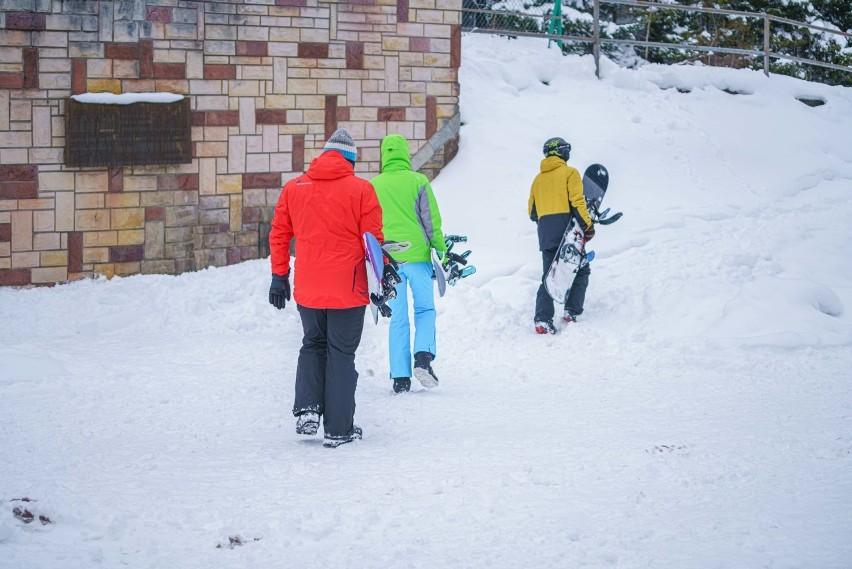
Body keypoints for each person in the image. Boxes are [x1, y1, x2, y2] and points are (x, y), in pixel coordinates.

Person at [268, 128, 384, 448]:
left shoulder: (294, 188)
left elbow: (279, 234)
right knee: (341, 354)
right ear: (350, 159)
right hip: (348, 289)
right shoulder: (362, 190)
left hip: (308, 287)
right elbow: (372, 241)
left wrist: (279, 276)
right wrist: (380, 282)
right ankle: (338, 428)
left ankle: (307, 409)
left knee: (312, 344)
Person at [371, 134, 447, 393]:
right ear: (405, 153)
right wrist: (441, 250)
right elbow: (431, 221)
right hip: (418, 258)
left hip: (388, 262)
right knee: (425, 309)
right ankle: (423, 359)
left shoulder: (373, 185)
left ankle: (400, 376)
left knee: (398, 317)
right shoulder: (419, 181)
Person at [528, 136, 595, 335]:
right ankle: (571, 311)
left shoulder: (537, 180)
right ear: (561, 152)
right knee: (582, 270)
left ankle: (542, 320)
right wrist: (588, 226)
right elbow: (577, 202)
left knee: (549, 276)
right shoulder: (570, 173)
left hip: (546, 235)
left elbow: (532, 212)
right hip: (567, 234)